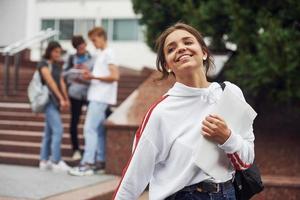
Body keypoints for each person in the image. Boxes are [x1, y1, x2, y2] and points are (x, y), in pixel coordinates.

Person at [113, 23, 255, 200]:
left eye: (188, 42)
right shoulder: (161, 112)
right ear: (167, 65)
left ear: (204, 52)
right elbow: (134, 174)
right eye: (171, 49)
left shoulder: (231, 93)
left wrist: (227, 138)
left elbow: (247, 160)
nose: (181, 49)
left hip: (228, 193)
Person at [69, 27, 119, 176]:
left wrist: (92, 78)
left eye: (94, 40)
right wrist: (91, 76)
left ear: (102, 37)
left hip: (100, 98)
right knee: (98, 131)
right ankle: (100, 163)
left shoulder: (109, 53)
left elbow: (115, 76)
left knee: (89, 129)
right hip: (99, 97)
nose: (93, 43)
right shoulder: (103, 54)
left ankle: (87, 164)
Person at [38, 41, 71, 172]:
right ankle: (56, 161)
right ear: (49, 51)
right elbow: (50, 82)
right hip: (49, 101)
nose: (58, 54)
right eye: (55, 51)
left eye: (59, 51)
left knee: (49, 132)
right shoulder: (43, 63)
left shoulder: (58, 65)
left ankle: (43, 160)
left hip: (56, 102)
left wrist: (66, 98)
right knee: (58, 130)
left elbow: (61, 82)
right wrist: (61, 98)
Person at [63, 35, 94, 160]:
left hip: (89, 93)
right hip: (75, 93)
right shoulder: (71, 58)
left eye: (83, 46)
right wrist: (73, 70)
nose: (81, 49)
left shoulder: (93, 58)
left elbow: (98, 74)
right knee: (74, 122)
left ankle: (92, 150)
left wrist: (88, 72)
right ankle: (76, 149)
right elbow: (63, 74)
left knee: (92, 122)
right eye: (79, 48)